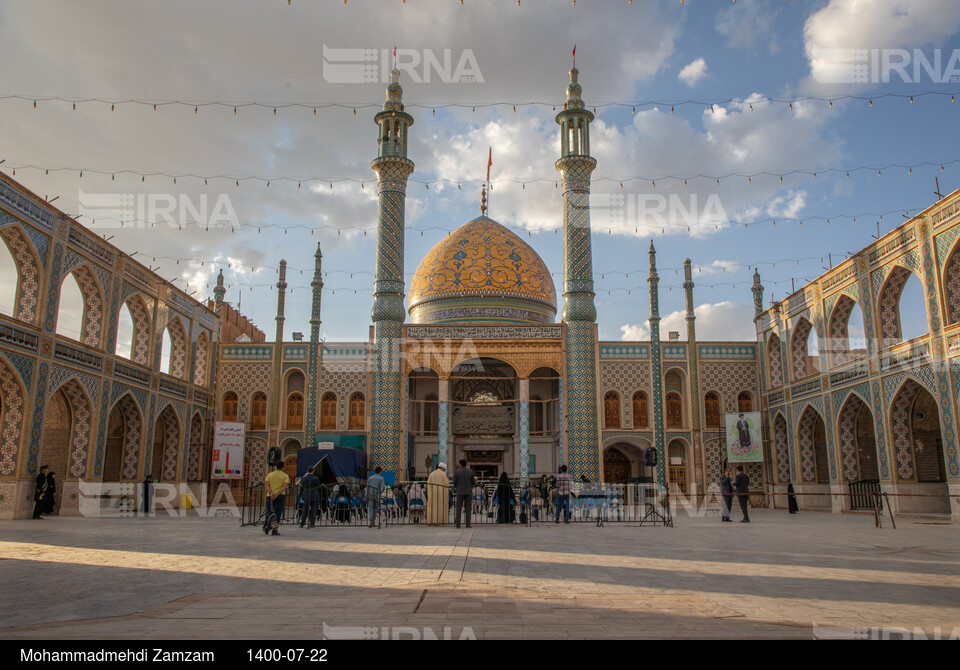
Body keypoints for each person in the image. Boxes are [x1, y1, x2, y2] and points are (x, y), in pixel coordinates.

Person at [263, 462, 289, 536]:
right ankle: (274, 530)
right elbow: (284, 487)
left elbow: (266, 485)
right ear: (283, 467)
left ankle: (267, 527)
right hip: (280, 496)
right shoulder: (285, 476)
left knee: (268, 512)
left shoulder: (270, 474)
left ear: (276, 467)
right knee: (277, 513)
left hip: (270, 496)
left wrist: (271, 493)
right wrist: (277, 494)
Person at [451, 459, 476, 529]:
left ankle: (457, 524)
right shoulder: (470, 472)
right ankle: (468, 524)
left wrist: (457, 486)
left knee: (458, 508)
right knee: (468, 508)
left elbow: (454, 482)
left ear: (460, 464)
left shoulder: (457, 472)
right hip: (468, 492)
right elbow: (474, 482)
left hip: (459, 492)